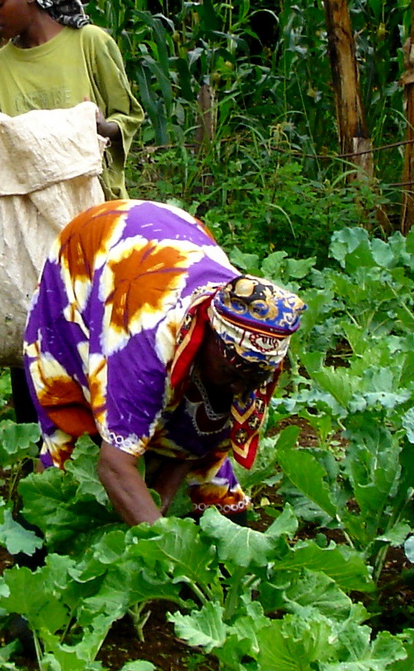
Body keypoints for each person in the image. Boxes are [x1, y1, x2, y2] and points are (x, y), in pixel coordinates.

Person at [22, 199, 305, 523]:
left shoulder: (255, 356)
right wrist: (166, 545)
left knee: (199, 438)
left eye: (254, 378)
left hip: (172, 245)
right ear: (206, 336)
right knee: (76, 445)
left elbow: (201, 436)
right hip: (95, 253)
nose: (241, 386)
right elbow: (112, 466)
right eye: (232, 372)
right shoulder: (145, 344)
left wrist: (160, 504)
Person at [0, 0, 145, 200]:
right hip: (28, 210)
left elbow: (128, 116)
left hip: (94, 202)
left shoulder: (89, 43)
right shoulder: (0, 64)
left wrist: (102, 127)